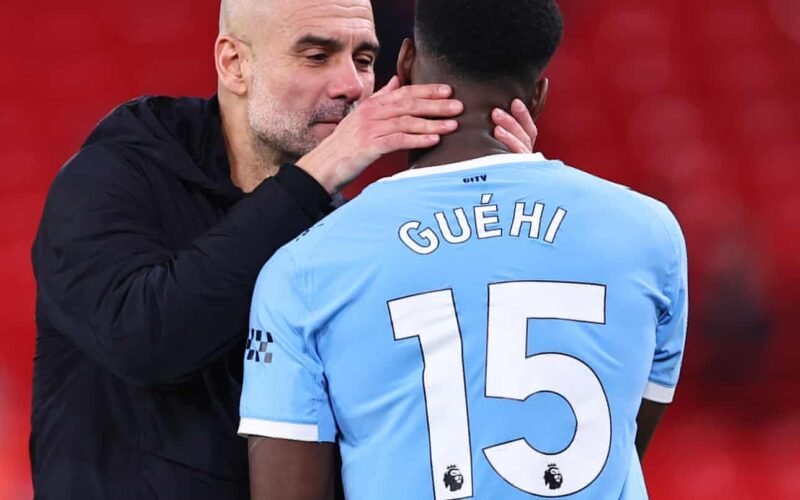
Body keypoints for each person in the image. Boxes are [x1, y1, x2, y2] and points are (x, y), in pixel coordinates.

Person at [29, 0, 538, 497]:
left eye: (364, 59)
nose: (352, 85)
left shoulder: (340, 226)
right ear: (235, 64)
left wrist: (496, 200)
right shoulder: (112, 176)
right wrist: (317, 176)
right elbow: (145, 341)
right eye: (317, 56)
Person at [239, 0, 689, 498]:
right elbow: (622, 440)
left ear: (405, 62)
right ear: (538, 96)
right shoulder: (649, 234)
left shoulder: (303, 268)